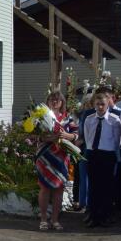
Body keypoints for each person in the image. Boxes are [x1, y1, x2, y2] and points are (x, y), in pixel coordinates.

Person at [33, 90, 78, 231]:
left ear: (62, 102)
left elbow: (76, 134)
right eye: (51, 99)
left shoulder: (68, 118)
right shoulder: (40, 117)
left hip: (61, 157)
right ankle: (43, 220)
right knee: (44, 188)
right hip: (45, 157)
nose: (54, 102)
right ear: (47, 102)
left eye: (57, 100)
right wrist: (49, 138)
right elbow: (36, 136)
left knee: (59, 189)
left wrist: (67, 135)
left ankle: (55, 220)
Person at [83, 92, 121, 228]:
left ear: (107, 105)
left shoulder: (114, 120)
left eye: (103, 104)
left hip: (108, 155)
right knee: (93, 186)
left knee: (106, 186)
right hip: (93, 154)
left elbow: (117, 140)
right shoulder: (89, 119)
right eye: (98, 104)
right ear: (94, 104)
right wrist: (92, 150)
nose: (100, 107)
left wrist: (110, 151)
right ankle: (93, 216)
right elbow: (87, 137)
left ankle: (105, 215)